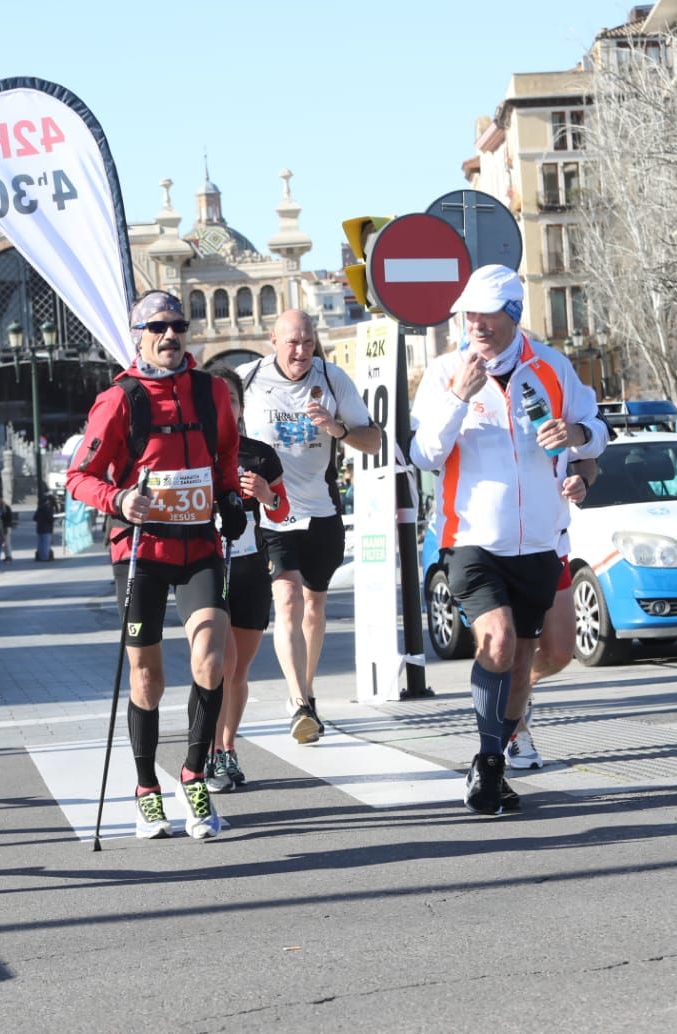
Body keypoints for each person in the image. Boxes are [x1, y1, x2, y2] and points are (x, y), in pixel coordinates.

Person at [410, 265, 606, 816]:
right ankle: (489, 762)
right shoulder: (445, 371)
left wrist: (576, 439)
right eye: (469, 314)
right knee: (494, 641)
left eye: (487, 314)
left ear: (514, 315)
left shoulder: (552, 367)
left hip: (540, 542)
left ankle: (493, 761)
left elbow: (598, 431)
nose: (476, 325)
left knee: (522, 662)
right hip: (471, 538)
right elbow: (423, 454)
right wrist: (457, 397)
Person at [66, 290, 243, 840]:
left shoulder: (212, 391)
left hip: (198, 547)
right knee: (147, 676)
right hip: (139, 550)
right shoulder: (118, 400)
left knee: (211, 656)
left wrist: (232, 499)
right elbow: (78, 477)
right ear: (138, 335)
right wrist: (118, 501)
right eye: (158, 328)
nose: (170, 336)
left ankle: (193, 772)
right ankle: (145, 785)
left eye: (177, 326)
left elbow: (227, 459)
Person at [237, 309, 380, 744]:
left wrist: (336, 429)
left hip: (322, 509)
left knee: (314, 608)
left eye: (307, 342)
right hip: (273, 511)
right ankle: (299, 702)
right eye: (291, 342)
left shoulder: (333, 379)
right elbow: (218, 430)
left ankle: (308, 691)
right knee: (287, 601)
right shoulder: (248, 379)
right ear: (273, 341)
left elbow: (373, 439)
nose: (300, 351)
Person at [205, 367, 288, 793]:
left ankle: (228, 745)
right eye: (218, 398)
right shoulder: (194, 452)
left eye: (233, 399)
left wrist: (266, 495)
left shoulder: (259, 455)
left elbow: (282, 513)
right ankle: (212, 752)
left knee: (239, 672)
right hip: (207, 569)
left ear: (240, 406)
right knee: (222, 664)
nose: (227, 406)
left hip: (252, 568)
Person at [504, 460, 596, 770]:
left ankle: (519, 688)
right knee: (506, 645)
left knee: (559, 653)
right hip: (495, 545)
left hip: (550, 544)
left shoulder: (560, 412)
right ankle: (515, 732)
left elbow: (588, 456)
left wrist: (582, 478)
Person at [34, 494, 55, 561]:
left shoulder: (40, 508)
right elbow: (50, 519)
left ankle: (40, 556)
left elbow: (34, 518)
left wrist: (40, 520)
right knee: (46, 544)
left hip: (39, 528)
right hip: (47, 528)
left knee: (40, 543)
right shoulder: (48, 509)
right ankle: (45, 557)